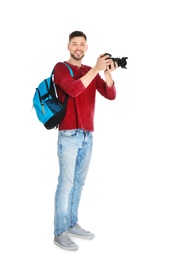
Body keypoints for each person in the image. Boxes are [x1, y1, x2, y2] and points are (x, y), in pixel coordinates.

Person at [53, 30, 118, 251]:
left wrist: (107, 73)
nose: (78, 47)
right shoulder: (61, 68)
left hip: (87, 135)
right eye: (74, 44)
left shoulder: (91, 71)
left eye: (82, 44)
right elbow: (72, 89)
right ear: (68, 47)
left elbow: (110, 95)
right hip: (69, 135)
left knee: (78, 184)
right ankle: (60, 232)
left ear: (87, 48)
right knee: (66, 184)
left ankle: (72, 224)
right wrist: (96, 70)